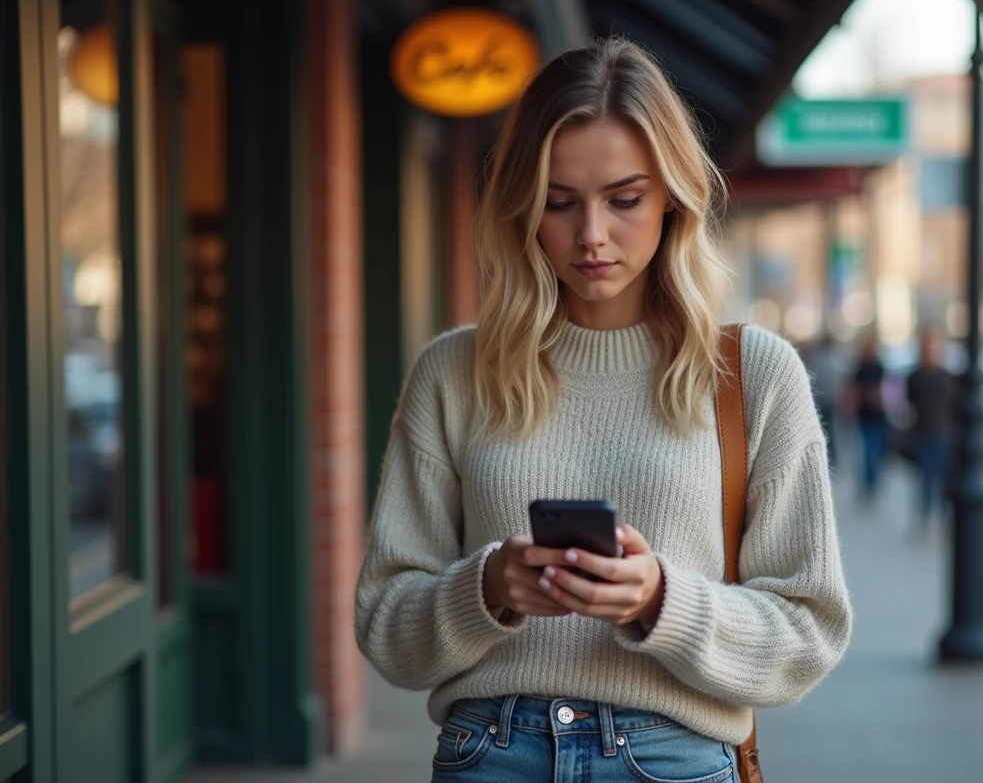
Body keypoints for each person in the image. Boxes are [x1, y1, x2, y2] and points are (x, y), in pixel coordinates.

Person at [354, 39, 852, 782]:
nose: (591, 234)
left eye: (624, 200)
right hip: (491, 752)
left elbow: (809, 633)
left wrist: (660, 600)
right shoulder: (453, 372)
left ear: (672, 196)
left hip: (674, 757)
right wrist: (488, 588)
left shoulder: (752, 375)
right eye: (558, 202)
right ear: (524, 207)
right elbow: (385, 624)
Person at [905, 328, 954, 528]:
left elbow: (954, 405)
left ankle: (942, 519)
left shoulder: (946, 376)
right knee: (925, 480)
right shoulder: (915, 376)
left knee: (943, 480)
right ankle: (925, 518)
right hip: (923, 434)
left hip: (943, 434)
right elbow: (909, 403)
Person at [849, 334, 888, 498]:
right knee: (868, 451)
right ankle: (868, 483)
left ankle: (873, 482)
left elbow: (888, 390)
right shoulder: (861, 368)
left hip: (879, 415)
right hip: (865, 416)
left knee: (877, 451)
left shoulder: (880, 367)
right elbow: (854, 390)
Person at [805, 333, 842, 467]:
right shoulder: (834, 360)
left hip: (820, 400)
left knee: (823, 429)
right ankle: (832, 457)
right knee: (830, 429)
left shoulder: (817, 360)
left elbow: (814, 381)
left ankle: (826, 455)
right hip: (830, 401)